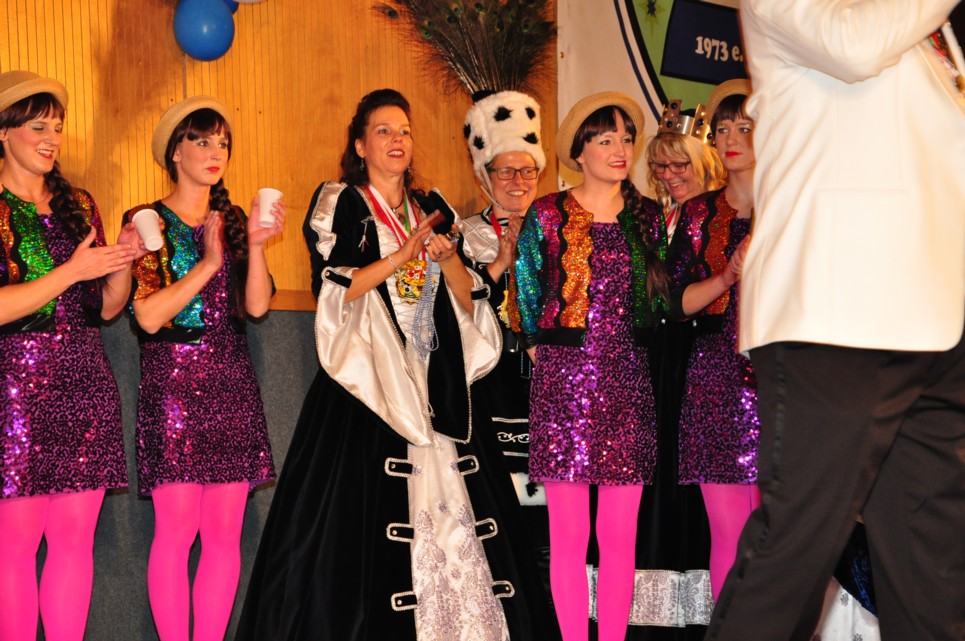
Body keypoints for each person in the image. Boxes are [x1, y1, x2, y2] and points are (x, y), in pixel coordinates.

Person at [236, 88, 554, 641]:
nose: (397, 140)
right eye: (383, 130)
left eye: (404, 130)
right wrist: (401, 256)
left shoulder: (432, 208)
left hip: (438, 380)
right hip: (368, 381)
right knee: (348, 536)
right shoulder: (342, 203)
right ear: (360, 146)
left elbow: (470, 298)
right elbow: (337, 289)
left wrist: (448, 260)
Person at [707, 3, 965, 641]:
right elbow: (855, 45)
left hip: (935, 312)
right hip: (837, 306)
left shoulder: (929, 33)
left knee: (933, 570)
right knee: (796, 550)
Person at [124, 96, 280, 641]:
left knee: (224, 534)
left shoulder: (232, 219)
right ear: (175, 152)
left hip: (232, 376)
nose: (216, 153)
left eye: (224, 144)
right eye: (203, 141)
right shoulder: (146, 219)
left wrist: (254, 245)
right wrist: (211, 263)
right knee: (177, 529)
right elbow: (148, 315)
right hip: (173, 379)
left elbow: (256, 306)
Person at [509, 91, 664, 641]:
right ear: (579, 151)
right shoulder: (548, 212)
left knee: (619, 537)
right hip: (564, 385)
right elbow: (525, 293)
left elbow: (663, 302)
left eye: (626, 138)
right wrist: (548, 356)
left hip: (629, 380)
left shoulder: (649, 217)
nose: (620, 149)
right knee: (569, 537)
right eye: (605, 139)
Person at [0, 70, 138, 641]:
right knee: (15, 547)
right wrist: (73, 270)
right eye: (38, 127)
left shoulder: (78, 204)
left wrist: (122, 262)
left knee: (74, 544)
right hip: (14, 388)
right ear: (3, 132)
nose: (51, 138)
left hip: (84, 380)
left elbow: (106, 309)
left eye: (57, 126)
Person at [664, 79, 759, 604]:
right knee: (727, 533)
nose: (731, 139)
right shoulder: (699, 214)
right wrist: (726, 277)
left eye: (745, 127)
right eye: (722, 129)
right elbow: (675, 303)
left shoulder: (796, 206)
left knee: (777, 538)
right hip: (714, 380)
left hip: (785, 380)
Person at [460, 89, 547, 528]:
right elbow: (457, 310)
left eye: (527, 170)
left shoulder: (558, 230)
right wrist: (500, 262)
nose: (518, 181)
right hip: (489, 381)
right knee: (498, 509)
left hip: (549, 380)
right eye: (505, 171)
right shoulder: (463, 236)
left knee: (552, 518)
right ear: (484, 177)